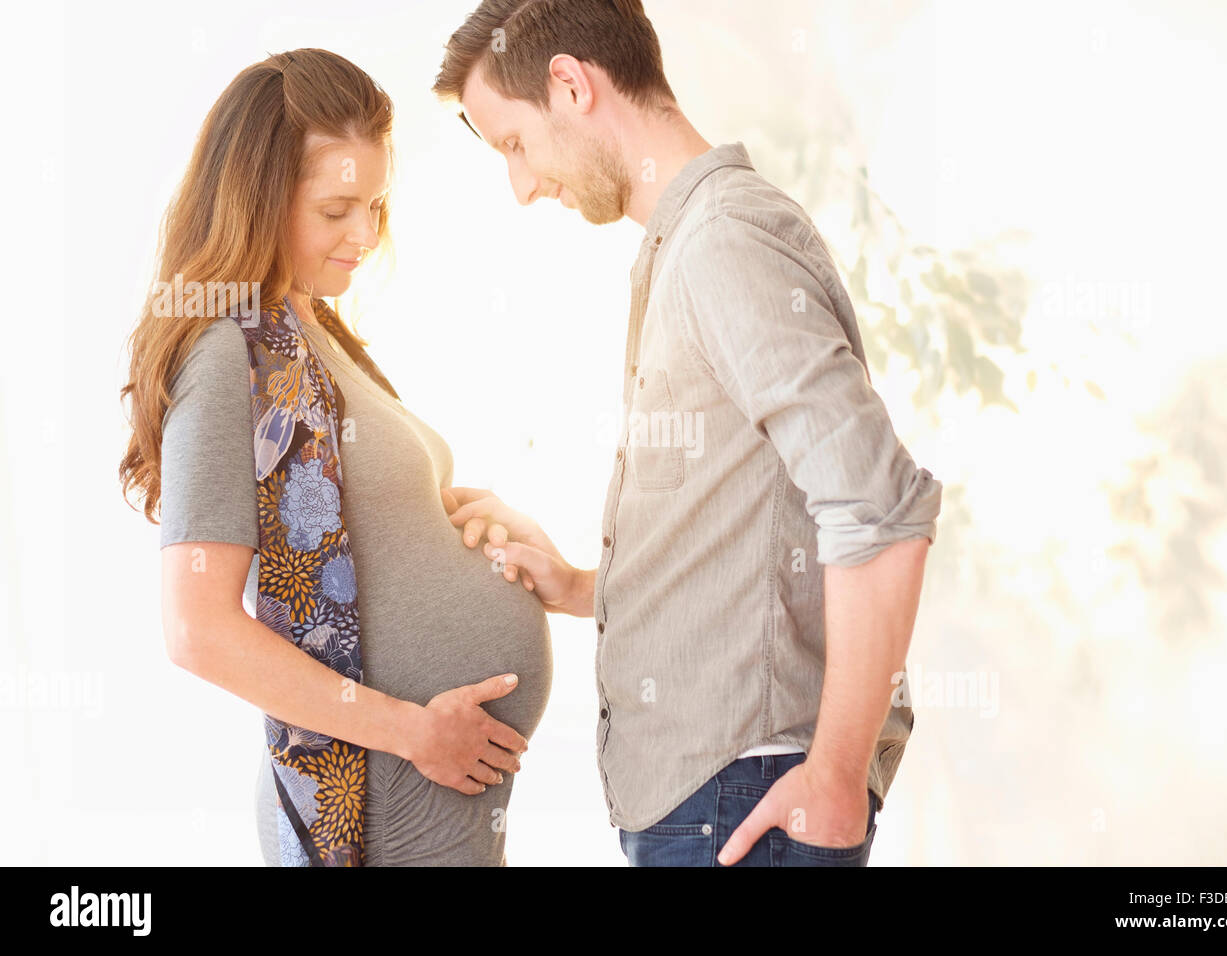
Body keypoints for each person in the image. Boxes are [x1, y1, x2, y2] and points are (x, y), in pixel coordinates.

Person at [432, 0, 943, 866]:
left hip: (744, 801)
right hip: (717, 801)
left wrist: (834, 775)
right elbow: (752, 550)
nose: (521, 187)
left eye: (514, 144)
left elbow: (881, 510)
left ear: (569, 84)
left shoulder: (722, 243)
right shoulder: (686, 246)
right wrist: (582, 585)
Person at [119, 48, 551, 866]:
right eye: (336, 209)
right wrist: (417, 732)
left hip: (423, 814)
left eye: (376, 205)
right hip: (378, 805)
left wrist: (451, 515)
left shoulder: (312, 331)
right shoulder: (225, 352)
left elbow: (352, 529)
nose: (365, 234)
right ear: (259, 200)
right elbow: (196, 628)